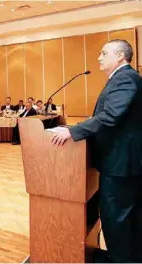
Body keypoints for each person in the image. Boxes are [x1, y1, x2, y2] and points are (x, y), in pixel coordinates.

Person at [51, 39, 142, 263]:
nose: (99, 58)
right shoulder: (123, 79)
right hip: (122, 161)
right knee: (127, 217)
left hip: (121, 163)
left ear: (120, 56)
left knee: (116, 218)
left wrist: (74, 132)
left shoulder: (125, 79)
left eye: (104, 53)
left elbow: (111, 116)